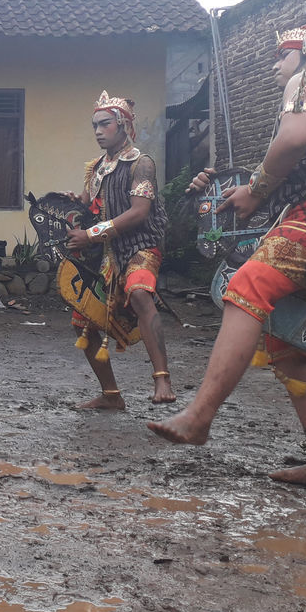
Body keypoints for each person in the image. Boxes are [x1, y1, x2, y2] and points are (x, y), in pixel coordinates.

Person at [150, 20, 306, 494]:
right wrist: (250, 187)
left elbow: (292, 140)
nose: (276, 65)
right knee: (284, 346)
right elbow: (300, 159)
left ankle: (198, 417)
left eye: (282, 54)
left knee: (247, 287)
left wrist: (255, 190)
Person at [63, 91, 174, 408]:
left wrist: (91, 233)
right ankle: (111, 395)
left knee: (140, 293)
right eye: (95, 125)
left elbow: (139, 212)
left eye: (105, 124)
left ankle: (162, 379)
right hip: (107, 254)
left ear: (123, 125)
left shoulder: (142, 164)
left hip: (141, 246)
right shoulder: (96, 167)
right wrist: (70, 205)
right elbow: (87, 208)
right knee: (82, 320)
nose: (98, 130)